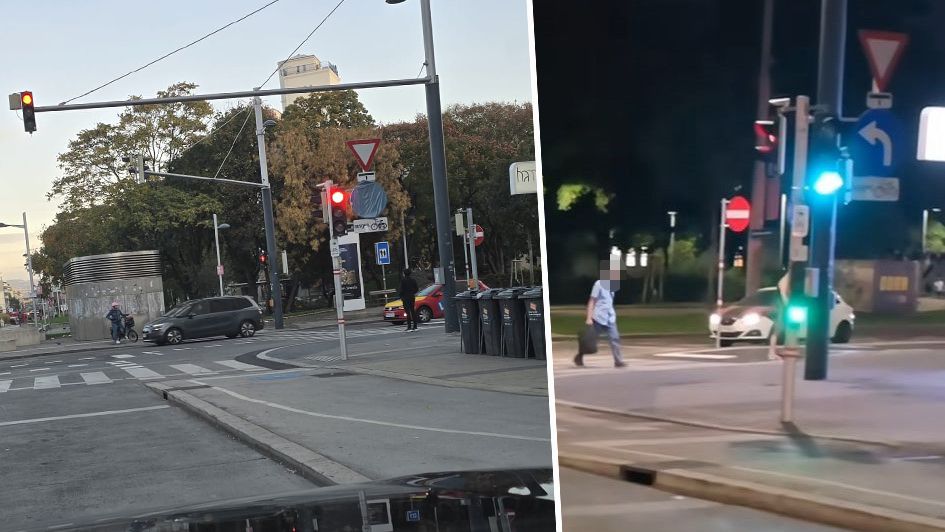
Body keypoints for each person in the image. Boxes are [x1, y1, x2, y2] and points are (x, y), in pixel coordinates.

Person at [574, 259, 626, 368]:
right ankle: (579, 356)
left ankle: (618, 361)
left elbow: (608, 302)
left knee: (615, 338)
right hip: (598, 318)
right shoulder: (598, 284)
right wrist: (589, 318)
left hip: (610, 318)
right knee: (589, 340)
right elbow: (592, 301)